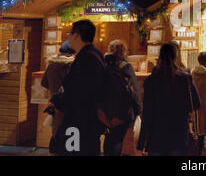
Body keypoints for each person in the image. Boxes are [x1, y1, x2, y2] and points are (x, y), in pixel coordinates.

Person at [51, 19, 106, 156]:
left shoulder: (85, 59)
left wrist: (58, 102)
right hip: (89, 123)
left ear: (77, 35)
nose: (68, 36)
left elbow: (76, 93)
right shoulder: (95, 55)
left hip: (79, 123)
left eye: (70, 33)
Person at [137, 43, 200, 156]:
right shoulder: (186, 79)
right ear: (176, 57)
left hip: (156, 137)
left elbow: (147, 114)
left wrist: (140, 145)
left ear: (159, 58)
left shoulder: (150, 81)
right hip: (179, 135)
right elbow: (196, 104)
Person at [103, 40, 141, 156]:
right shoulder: (126, 67)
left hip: (105, 111)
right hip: (122, 111)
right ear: (124, 52)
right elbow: (134, 91)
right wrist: (137, 109)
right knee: (118, 140)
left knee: (109, 138)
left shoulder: (104, 65)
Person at [41, 41, 75, 154]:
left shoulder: (51, 65)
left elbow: (44, 83)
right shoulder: (72, 66)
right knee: (71, 135)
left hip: (55, 105)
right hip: (70, 106)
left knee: (56, 133)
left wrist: (53, 88)